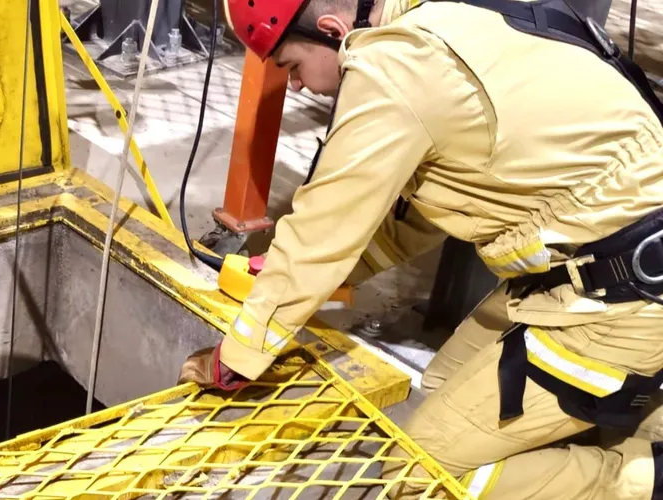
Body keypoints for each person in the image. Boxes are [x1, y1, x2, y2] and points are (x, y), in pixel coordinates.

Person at [179, 0, 663, 497]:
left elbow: (322, 226)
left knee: (418, 477)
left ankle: (640, 480)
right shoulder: (432, 22)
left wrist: (238, 353)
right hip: (590, 271)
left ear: (331, 29)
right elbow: (425, 211)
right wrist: (321, 277)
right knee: (442, 388)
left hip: (621, 299)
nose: (297, 85)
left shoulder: (394, 67)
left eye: (292, 65)